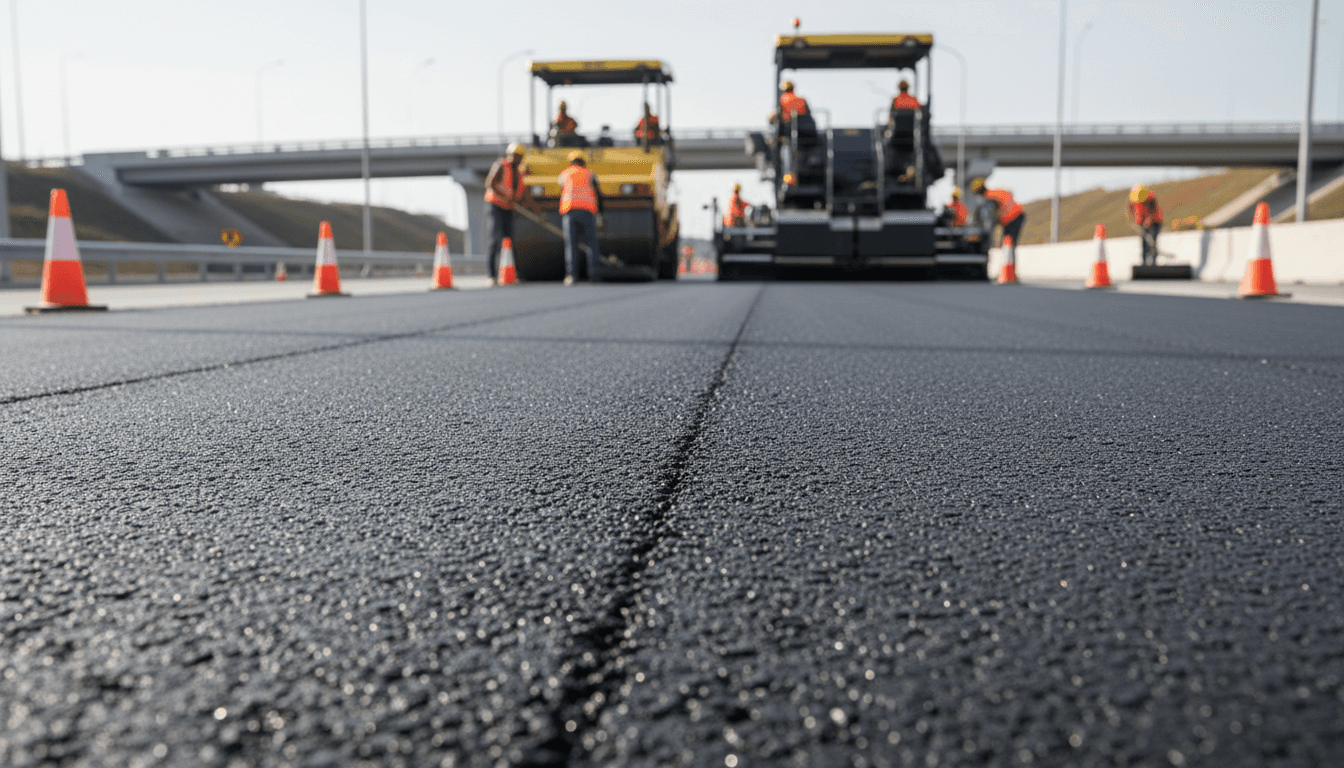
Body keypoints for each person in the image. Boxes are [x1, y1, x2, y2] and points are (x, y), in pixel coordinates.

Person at [482, 142, 535, 285]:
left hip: (508, 208)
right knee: (494, 239)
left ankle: (513, 273)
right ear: (510, 155)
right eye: (516, 155)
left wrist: (536, 211)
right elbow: (490, 183)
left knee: (510, 241)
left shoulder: (519, 173)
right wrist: (505, 196)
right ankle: (491, 275)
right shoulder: (501, 165)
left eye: (520, 156)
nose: (517, 159)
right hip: (495, 206)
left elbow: (523, 196)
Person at [558, 151, 604, 285]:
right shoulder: (590, 174)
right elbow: (599, 193)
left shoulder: (565, 174)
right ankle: (594, 275)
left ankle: (571, 276)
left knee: (571, 245)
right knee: (591, 244)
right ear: (583, 162)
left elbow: (561, 188)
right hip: (587, 212)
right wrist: (601, 213)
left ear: (571, 162)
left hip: (570, 212)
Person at [971, 177, 1024, 246]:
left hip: (1011, 218)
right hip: (1017, 214)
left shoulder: (989, 198)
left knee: (1008, 242)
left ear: (978, 192)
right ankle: (1009, 255)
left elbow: (990, 218)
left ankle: (1009, 256)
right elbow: (1009, 193)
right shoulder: (995, 193)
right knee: (1009, 241)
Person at [1128, 184, 1164, 266]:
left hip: (1154, 223)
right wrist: (1139, 221)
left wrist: (1149, 220)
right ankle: (1144, 264)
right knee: (1144, 243)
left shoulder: (1150, 199)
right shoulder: (1135, 199)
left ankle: (1153, 263)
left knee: (1152, 242)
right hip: (1143, 224)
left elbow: (1152, 210)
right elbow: (1132, 209)